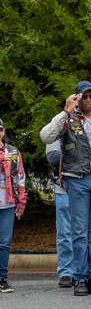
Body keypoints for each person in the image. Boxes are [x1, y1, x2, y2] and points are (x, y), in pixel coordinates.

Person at [40, 80, 91, 297]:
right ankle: (80, 278)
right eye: (83, 96)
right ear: (76, 97)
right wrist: (66, 110)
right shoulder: (68, 120)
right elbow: (46, 136)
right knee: (78, 232)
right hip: (77, 180)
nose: (88, 100)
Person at [0, 119, 26, 294]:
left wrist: (21, 201)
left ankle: (2, 279)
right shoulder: (5, 154)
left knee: (4, 243)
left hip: (8, 202)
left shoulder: (13, 152)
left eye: (0, 129)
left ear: (3, 131)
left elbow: (20, 176)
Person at [45, 140, 74, 288]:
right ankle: (66, 272)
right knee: (64, 233)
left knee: (85, 231)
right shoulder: (58, 128)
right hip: (62, 188)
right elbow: (53, 157)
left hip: (86, 189)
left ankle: (82, 271)